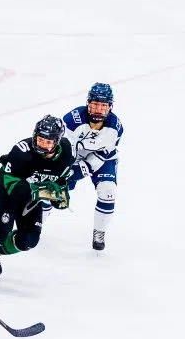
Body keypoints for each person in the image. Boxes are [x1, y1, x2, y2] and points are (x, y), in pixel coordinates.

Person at [0, 115, 75, 286]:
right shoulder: (22, 151)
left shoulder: (68, 153)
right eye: (40, 139)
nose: (42, 145)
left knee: (29, 240)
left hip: (32, 196)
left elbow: (61, 179)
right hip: (6, 191)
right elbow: (11, 184)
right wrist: (42, 191)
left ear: (57, 141)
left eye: (48, 142)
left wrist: (60, 196)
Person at [49, 83, 123, 250]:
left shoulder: (115, 127)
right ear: (88, 103)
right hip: (73, 157)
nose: (98, 110)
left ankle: (99, 232)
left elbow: (102, 155)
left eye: (103, 106)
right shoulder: (72, 120)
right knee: (50, 190)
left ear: (110, 107)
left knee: (108, 191)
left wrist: (82, 170)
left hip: (102, 160)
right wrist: (64, 172)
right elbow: (63, 151)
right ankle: (36, 224)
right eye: (95, 104)